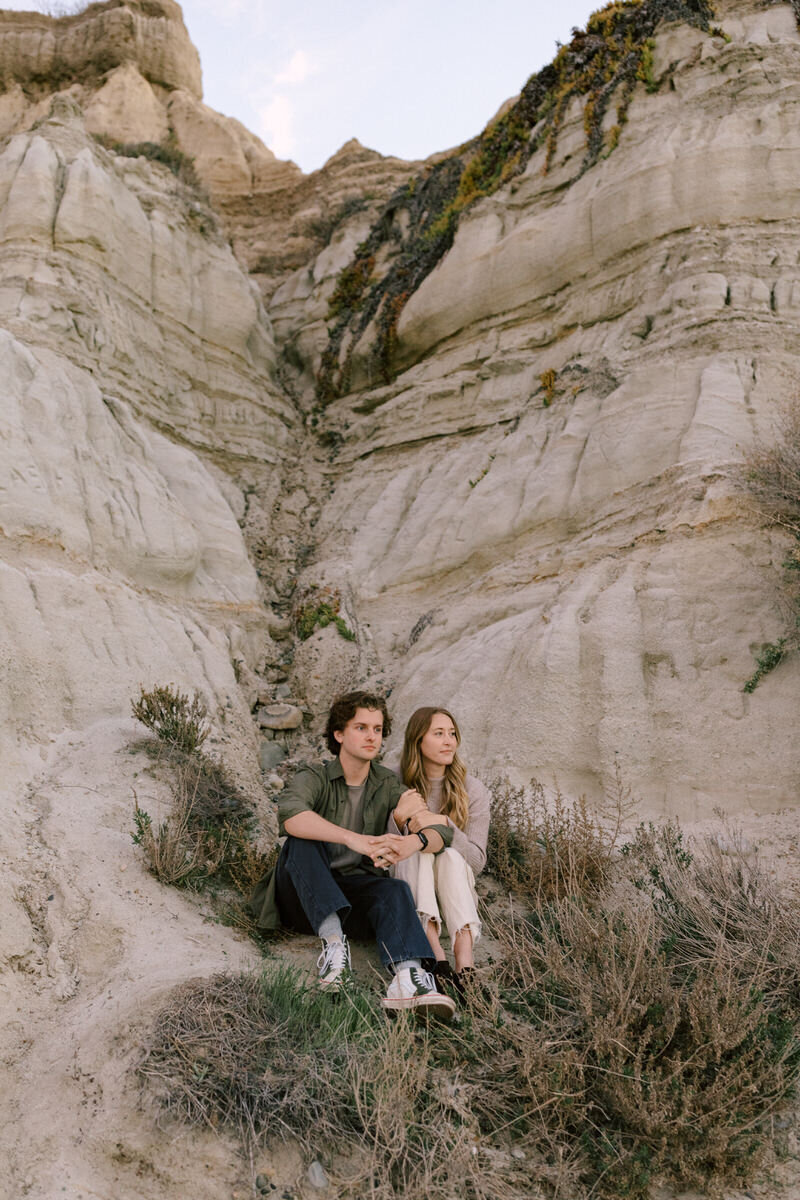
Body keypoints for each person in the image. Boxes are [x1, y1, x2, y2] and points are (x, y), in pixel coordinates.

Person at [250, 690, 456, 1020]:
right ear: (339, 733)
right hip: (300, 901)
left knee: (393, 890)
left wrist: (412, 842)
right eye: (361, 727)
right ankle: (334, 951)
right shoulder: (313, 777)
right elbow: (290, 816)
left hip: (352, 901)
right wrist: (355, 840)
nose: (371, 736)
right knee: (300, 841)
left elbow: (441, 830)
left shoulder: (386, 783)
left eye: (377, 729)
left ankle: (408, 978)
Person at [389, 707, 491, 990]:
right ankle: (437, 959)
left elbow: (477, 861)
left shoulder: (473, 789)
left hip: (454, 879)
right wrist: (398, 820)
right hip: (408, 878)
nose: (449, 741)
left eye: (452, 734)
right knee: (418, 851)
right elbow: (385, 852)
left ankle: (465, 965)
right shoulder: (393, 781)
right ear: (418, 740)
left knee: (448, 854)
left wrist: (445, 824)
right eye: (438, 734)